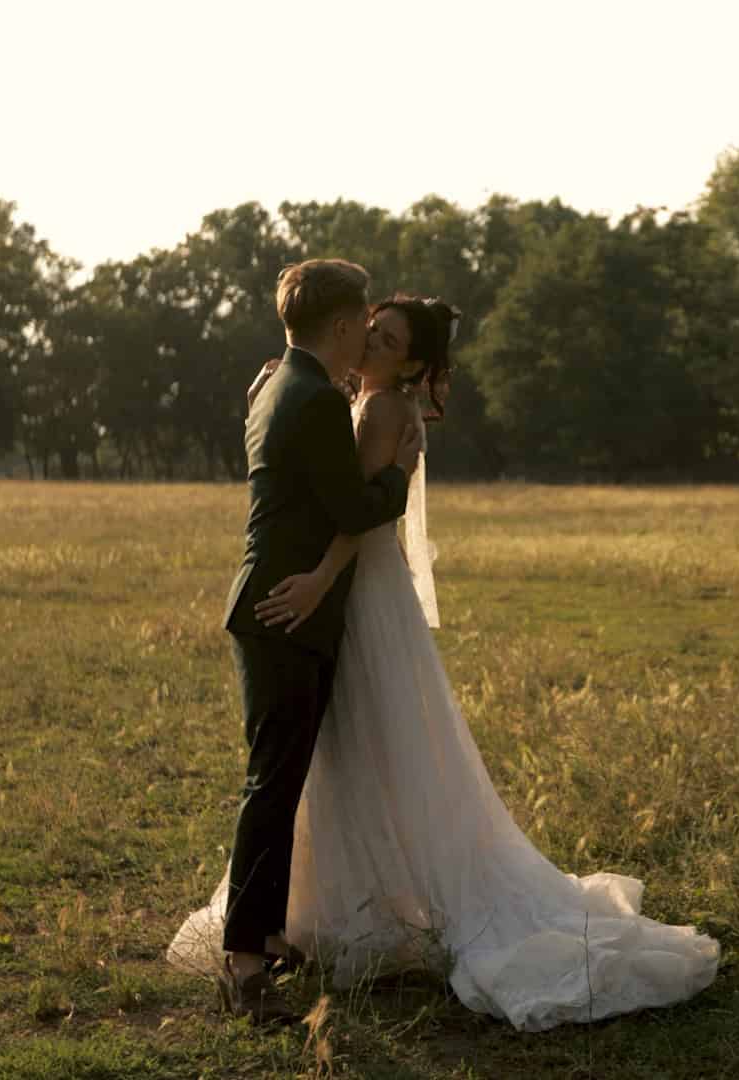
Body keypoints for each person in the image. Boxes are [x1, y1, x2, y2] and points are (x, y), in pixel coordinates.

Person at [171, 294, 719, 1031]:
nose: (371, 340)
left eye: (389, 338)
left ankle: (300, 924)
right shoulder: (352, 401)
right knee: (333, 755)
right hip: (348, 594)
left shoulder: (375, 411)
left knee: (341, 751)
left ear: (415, 363)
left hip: (350, 590)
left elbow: (359, 517)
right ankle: (306, 914)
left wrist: (321, 577)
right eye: (372, 329)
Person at [213, 259, 421, 1022]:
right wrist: (399, 470)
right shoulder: (314, 400)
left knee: (283, 775)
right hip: (285, 609)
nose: (370, 329)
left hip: (274, 601)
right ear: (341, 325)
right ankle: (242, 964)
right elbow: (353, 505)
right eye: (364, 319)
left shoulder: (277, 381)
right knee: (272, 782)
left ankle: (266, 936)